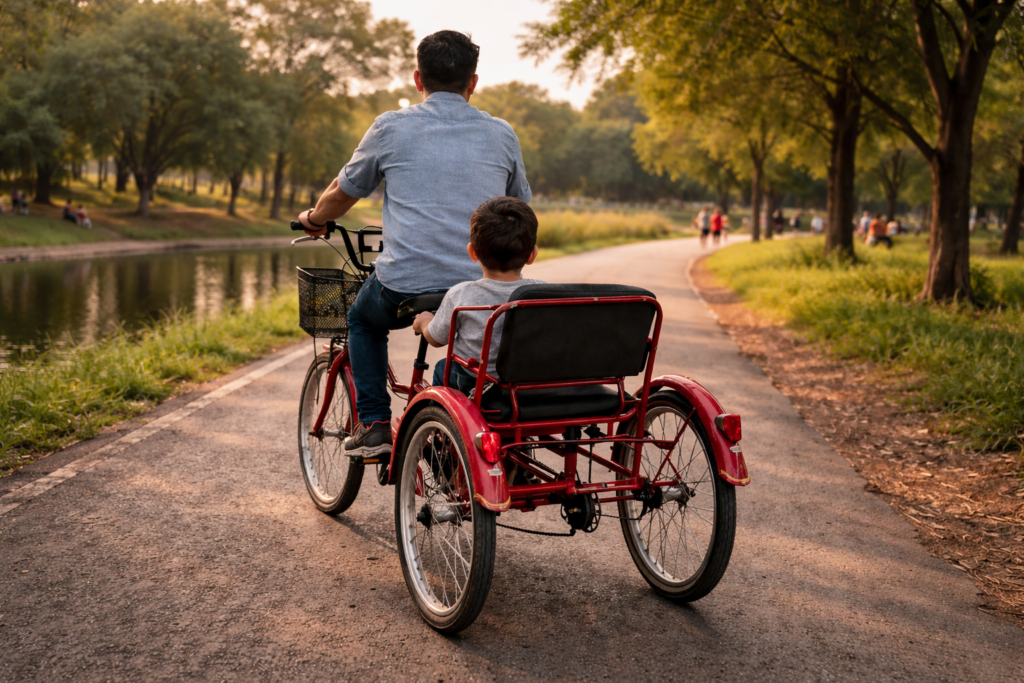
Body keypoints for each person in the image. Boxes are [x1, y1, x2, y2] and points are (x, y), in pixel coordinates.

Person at [296, 30, 531, 458]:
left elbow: (343, 192)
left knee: (362, 320)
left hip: (404, 287)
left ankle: (373, 424)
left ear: (418, 79)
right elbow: (519, 207)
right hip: (479, 283)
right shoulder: (502, 134)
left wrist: (315, 219)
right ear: (473, 82)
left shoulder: (390, 127)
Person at [412, 197, 544, 393]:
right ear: (532, 255)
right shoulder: (542, 293)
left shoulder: (461, 294)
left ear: (472, 252)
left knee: (442, 367)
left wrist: (423, 322)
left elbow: (436, 339)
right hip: (528, 383)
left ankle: (435, 410)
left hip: (477, 385)